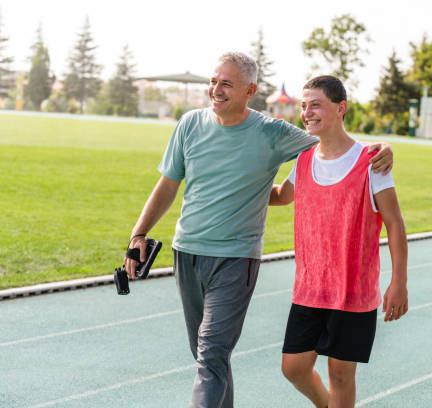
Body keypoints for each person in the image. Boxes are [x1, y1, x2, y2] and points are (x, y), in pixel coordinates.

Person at [123, 53, 394, 408]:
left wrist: (382, 149)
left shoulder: (272, 132)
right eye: (214, 81)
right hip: (186, 252)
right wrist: (138, 234)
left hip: (236, 258)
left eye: (227, 84)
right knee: (209, 358)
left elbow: (335, 144)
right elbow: (168, 183)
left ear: (249, 90)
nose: (215, 90)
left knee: (212, 353)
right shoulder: (189, 124)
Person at [269, 75, 408, 408]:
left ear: (340, 108)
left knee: (342, 375)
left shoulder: (372, 162)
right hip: (310, 288)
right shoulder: (303, 161)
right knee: (294, 367)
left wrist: (398, 282)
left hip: (353, 292)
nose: (307, 112)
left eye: (315, 104)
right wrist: (232, 184)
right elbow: (280, 196)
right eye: (304, 106)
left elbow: (395, 224)